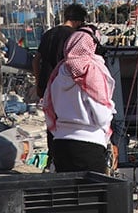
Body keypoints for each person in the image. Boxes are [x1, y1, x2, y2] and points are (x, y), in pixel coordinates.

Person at [42, 29, 115, 173]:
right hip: (89, 145)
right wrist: (111, 109)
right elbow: (101, 117)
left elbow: (51, 108)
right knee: (91, 193)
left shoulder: (58, 74)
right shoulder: (91, 73)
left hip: (60, 144)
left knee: (69, 194)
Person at [34, 3, 88, 99]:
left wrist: (38, 83)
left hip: (46, 84)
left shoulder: (48, 34)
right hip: (64, 87)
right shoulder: (75, 36)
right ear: (78, 21)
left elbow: (36, 61)